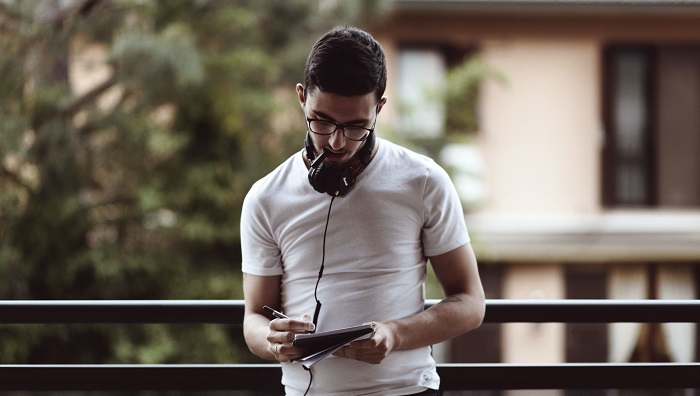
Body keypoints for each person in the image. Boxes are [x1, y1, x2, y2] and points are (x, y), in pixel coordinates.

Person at [241, 26, 485, 396]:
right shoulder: (265, 197)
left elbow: (470, 303)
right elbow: (254, 318)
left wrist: (395, 333)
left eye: (356, 126)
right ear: (302, 98)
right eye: (322, 121)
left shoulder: (424, 181)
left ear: (380, 108)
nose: (337, 142)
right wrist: (272, 340)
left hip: (407, 391)